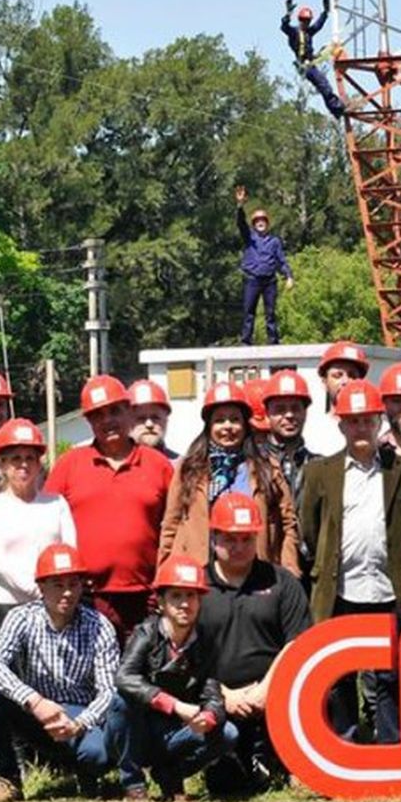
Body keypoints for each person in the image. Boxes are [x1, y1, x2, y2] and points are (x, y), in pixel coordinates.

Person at [300, 381, 401, 742]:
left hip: (386, 588)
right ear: (341, 426)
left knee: (390, 672)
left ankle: (393, 742)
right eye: (353, 421)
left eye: (368, 420)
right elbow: (310, 527)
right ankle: (347, 742)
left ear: (378, 421)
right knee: (339, 672)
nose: (361, 428)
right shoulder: (320, 472)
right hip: (340, 589)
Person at [0, 543, 131, 802]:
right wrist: (34, 701)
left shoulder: (99, 626)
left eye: (73, 584)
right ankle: (8, 780)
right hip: (35, 711)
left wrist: (80, 723)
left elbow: (108, 690)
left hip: (79, 714)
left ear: (82, 587)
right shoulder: (22, 618)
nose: (67, 593)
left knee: (97, 756)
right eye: (58, 584)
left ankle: (85, 773)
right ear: (42, 587)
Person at [45, 375, 175, 644]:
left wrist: (163, 585)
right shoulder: (70, 465)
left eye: (115, 410)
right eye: (97, 415)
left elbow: (174, 530)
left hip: (144, 599)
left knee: (138, 679)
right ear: (89, 421)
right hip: (85, 598)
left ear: (130, 411)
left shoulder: (158, 466)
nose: (108, 420)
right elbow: (47, 529)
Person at [198, 493, 311, 795]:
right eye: (230, 539)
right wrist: (223, 695)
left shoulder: (282, 582)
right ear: (214, 538)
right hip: (216, 697)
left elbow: (297, 643)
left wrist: (265, 690)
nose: (238, 547)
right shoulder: (194, 587)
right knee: (227, 785)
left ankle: (292, 763)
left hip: (276, 694)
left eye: (246, 539)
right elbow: (184, 654)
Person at [117, 556, 237, 801]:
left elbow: (213, 693)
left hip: (177, 731)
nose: (185, 604)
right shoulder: (146, 634)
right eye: (176, 596)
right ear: (161, 602)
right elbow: (124, 677)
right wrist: (172, 704)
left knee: (228, 733)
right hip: (141, 730)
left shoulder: (206, 642)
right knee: (118, 703)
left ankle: (171, 775)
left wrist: (209, 716)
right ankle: (133, 783)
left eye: (191, 596)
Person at [158, 381, 300, 575]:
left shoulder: (267, 466)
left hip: (255, 572)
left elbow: (288, 523)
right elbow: (171, 524)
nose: (228, 427)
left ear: (245, 425)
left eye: (235, 419)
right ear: (209, 426)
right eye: (219, 420)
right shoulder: (190, 467)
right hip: (199, 573)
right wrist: (164, 571)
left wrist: (289, 566)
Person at [0, 418, 76, 636]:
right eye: (15, 458)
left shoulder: (57, 503)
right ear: (1, 464)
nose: (24, 464)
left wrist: (53, 590)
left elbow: (70, 550)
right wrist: (34, 589)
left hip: (54, 605)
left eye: (30, 458)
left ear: (39, 463)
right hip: (8, 604)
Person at [234, 187, 294, 345]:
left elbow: (281, 260)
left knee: (271, 313)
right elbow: (241, 224)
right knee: (249, 312)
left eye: (263, 221)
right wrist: (240, 205)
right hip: (252, 279)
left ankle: (273, 341)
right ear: (254, 224)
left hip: (269, 281)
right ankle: (246, 341)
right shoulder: (249, 238)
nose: (260, 223)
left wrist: (288, 276)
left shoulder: (274, 241)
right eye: (257, 221)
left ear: (267, 224)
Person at [281, 0, 345, 119]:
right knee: (323, 84)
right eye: (304, 21)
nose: (307, 23)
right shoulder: (294, 32)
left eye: (308, 21)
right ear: (300, 20)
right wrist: (288, 14)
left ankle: (336, 110)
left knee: (324, 86)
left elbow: (318, 25)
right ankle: (337, 108)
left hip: (311, 64)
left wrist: (325, 12)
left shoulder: (308, 33)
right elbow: (284, 27)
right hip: (305, 66)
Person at [262, 369, 317, 504]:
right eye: (280, 409)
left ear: (305, 413)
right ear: (267, 414)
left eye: (295, 408)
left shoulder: (320, 466)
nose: (289, 415)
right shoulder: (253, 464)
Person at [127, 379, 180, 461]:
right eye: (141, 418)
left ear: (166, 420)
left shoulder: (182, 467)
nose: (149, 424)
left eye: (155, 417)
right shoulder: (114, 466)